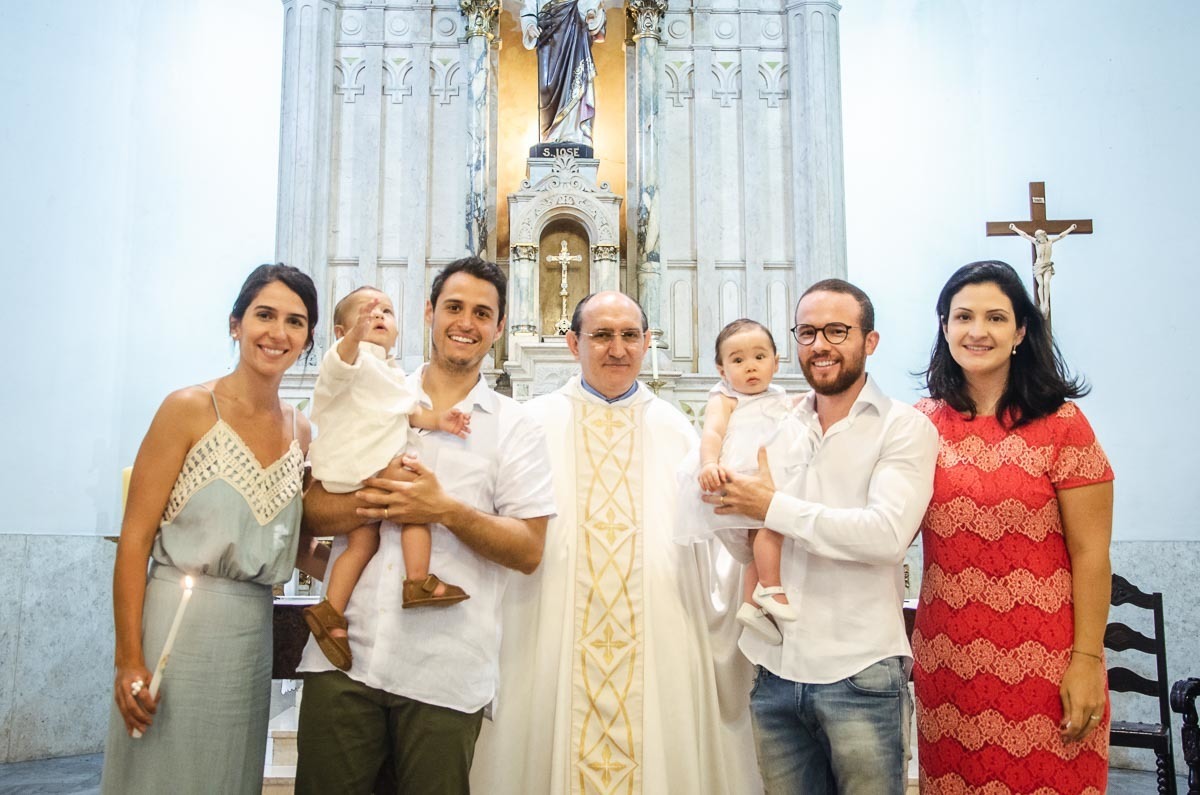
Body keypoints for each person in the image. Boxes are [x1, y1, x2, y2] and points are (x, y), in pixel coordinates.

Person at [470, 291, 761, 795]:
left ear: (648, 343)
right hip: (546, 629)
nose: (617, 348)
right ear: (572, 343)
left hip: (658, 632)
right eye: (601, 335)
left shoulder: (675, 429)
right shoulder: (532, 423)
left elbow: (714, 545)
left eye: (630, 336)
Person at [293, 256, 556, 795]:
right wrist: (380, 500)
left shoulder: (517, 427)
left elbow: (529, 550)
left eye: (483, 313)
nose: (466, 322)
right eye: (454, 307)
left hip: (444, 670)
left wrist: (444, 510)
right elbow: (315, 511)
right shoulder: (373, 388)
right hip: (344, 658)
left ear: (499, 327)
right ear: (430, 313)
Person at [711, 278, 938, 794]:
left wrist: (774, 507)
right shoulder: (780, 423)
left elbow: (885, 536)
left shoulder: (902, 427)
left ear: (870, 341)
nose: (821, 345)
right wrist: (726, 509)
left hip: (858, 671)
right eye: (808, 332)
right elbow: (750, 541)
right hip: (776, 667)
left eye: (837, 330)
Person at [101, 264, 319, 794]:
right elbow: (133, 542)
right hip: (176, 622)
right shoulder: (187, 409)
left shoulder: (302, 431)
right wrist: (129, 659)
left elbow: (295, 545)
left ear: (308, 339)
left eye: (295, 321)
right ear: (235, 324)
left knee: (227, 777)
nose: (277, 332)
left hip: (249, 632)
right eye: (264, 315)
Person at [912, 260, 1113, 794]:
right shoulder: (918, 425)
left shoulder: (1063, 425)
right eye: (964, 317)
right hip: (949, 665)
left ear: (1021, 331)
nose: (978, 331)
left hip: (1047, 665)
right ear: (944, 326)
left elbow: (1092, 554)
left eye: (996, 318)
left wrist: (1087, 662)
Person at [303, 286, 471, 672]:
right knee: (416, 500)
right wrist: (353, 341)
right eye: (366, 312)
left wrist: (441, 420)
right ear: (341, 331)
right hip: (357, 464)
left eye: (387, 312)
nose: (377, 316)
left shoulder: (392, 372)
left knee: (362, 543)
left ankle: (331, 612)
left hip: (361, 471)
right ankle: (416, 581)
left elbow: (409, 413)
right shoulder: (350, 360)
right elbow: (337, 365)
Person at [674, 318, 799, 645]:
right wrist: (708, 463)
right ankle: (771, 588)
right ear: (721, 370)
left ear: (776, 361)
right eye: (738, 360)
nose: (750, 367)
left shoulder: (780, 395)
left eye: (759, 357)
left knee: (763, 536)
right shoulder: (725, 398)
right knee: (768, 524)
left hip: (769, 471)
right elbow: (713, 431)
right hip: (740, 472)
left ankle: (750, 605)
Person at [521, 0, 605, 146]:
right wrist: (529, 24)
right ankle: (549, 134)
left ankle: (574, 134)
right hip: (547, 32)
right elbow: (528, 6)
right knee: (546, 87)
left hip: (574, 26)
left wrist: (591, 11)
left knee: (574, 81)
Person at [1009, 222, 1077, 317]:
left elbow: (1061, 236)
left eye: (1039, 236)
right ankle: (1042, 304)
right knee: (1040, 284)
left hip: (1047, 265)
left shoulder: (1050, 242)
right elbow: (1025, 235)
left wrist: (1071, 228)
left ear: (1044, 235)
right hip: (1038, 266)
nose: (1038, 238)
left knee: (1046, 282)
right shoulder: (1037, 243)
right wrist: (1015, 228)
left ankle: (1046, 304)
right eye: (1037, 237)